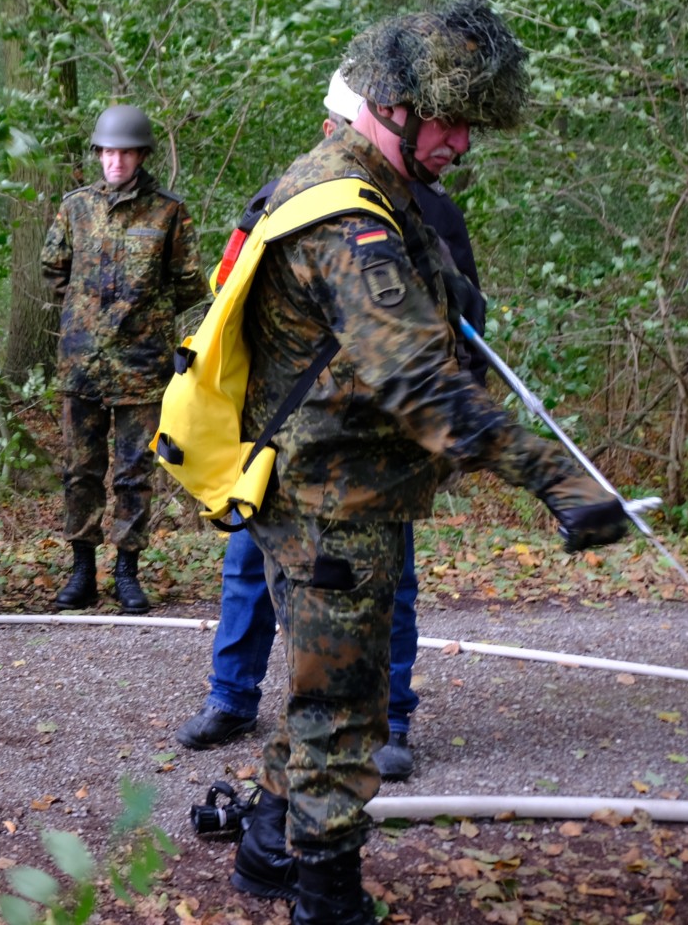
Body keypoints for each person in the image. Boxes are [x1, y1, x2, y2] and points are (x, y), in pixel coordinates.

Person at [223, 0, 628, 923]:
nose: (463, 144)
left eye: (474, 124)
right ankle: (326, 899)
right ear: (394, 105)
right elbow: (420, 384)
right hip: (333, 504)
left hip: (337, 491)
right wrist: (559, 480)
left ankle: (262, 848)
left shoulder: (369, 188)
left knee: (326, 687)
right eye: (452, 121)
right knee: (343, 716)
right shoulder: (347, 216)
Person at [177, 71, 491, 786]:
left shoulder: (429, 216)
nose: (332, 133)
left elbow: (468, 324)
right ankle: (232, 696)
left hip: (374, 450)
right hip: (276, 437)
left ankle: (391, 715)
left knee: (388, 580)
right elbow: (229, 292)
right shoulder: (286, 196)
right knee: (247, 570)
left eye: (340, 121)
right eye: (328, 121)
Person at [41, 105, 207, 614]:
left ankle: (128, 572)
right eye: (108, 152)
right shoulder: (75, 208)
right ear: (99, 155)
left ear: (140, 156)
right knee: (80, 471)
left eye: (125, 152)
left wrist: (145, 321)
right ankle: (82, 570)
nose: (115, 161)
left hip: (142, 366)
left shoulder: (168, 212)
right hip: (82, 365)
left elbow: (189, 285)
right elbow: (53, 271)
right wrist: (87, 317)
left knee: (134, 472)